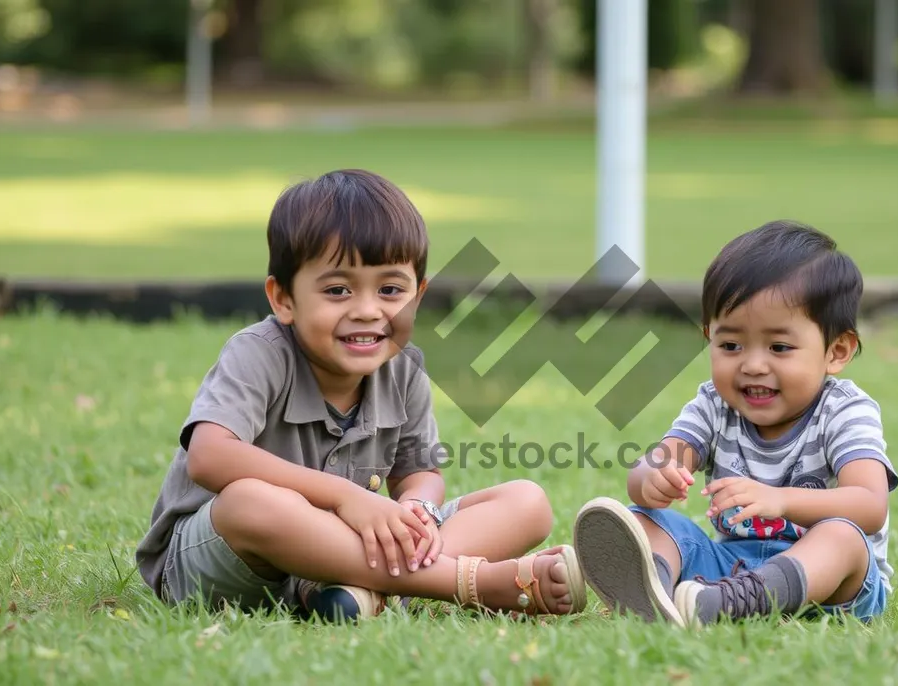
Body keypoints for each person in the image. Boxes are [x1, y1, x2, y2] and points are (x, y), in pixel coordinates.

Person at [135, 169, 586, 622]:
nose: (368, 310)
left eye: (390, 290)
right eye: (337, 290)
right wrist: (343, 497)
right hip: (229, 560)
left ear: (418, 295)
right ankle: (468, 582)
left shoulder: (404, 368)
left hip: (349, 546)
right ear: (283, 298)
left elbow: (419, 471)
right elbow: (210, 457)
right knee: (251, 499)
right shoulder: (259, 353)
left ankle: (356, 591)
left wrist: (418, 508)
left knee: (526, 501)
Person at [571, 220, 898, 627]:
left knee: (842, 538)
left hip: (836, 587)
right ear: (708, 336)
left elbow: (869, 504)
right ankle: (655, 589)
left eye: (779, 347)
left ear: (836, 350)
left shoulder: (844, 410)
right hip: (732, 568)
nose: (753, 365)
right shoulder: (714, 404)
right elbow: (657, 461)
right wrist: (653, 478)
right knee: (646, 519)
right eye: (730, 345)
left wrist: (780, 500)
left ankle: (742, 601)